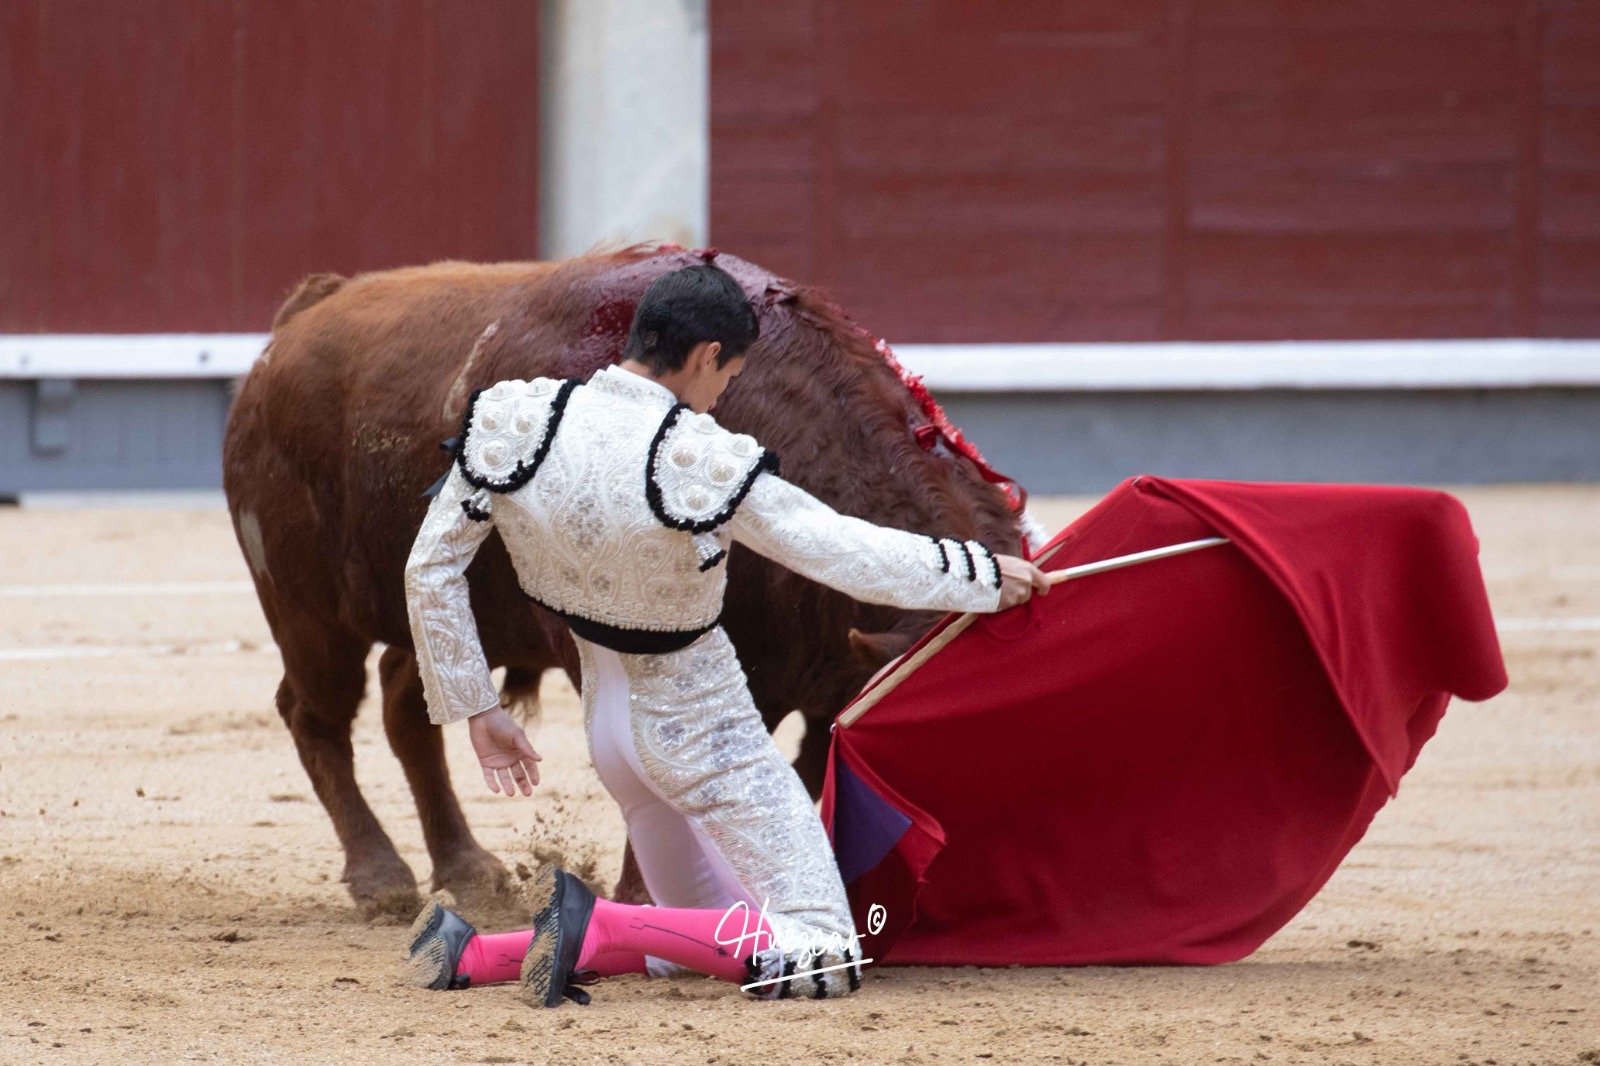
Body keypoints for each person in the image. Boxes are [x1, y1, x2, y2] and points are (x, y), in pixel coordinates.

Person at [400, 262, 1049, 1006]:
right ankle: (600, 923)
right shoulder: (699, 459)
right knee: (824, 951)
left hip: (611, 735)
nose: (721, 396)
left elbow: (430, 570)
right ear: (708, 355)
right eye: (728, 376)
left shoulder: (517, 421)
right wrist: (979, 575)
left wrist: (478, 707)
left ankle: (476, 952)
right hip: (702, 735)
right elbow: (838, 549)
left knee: (700, 938)